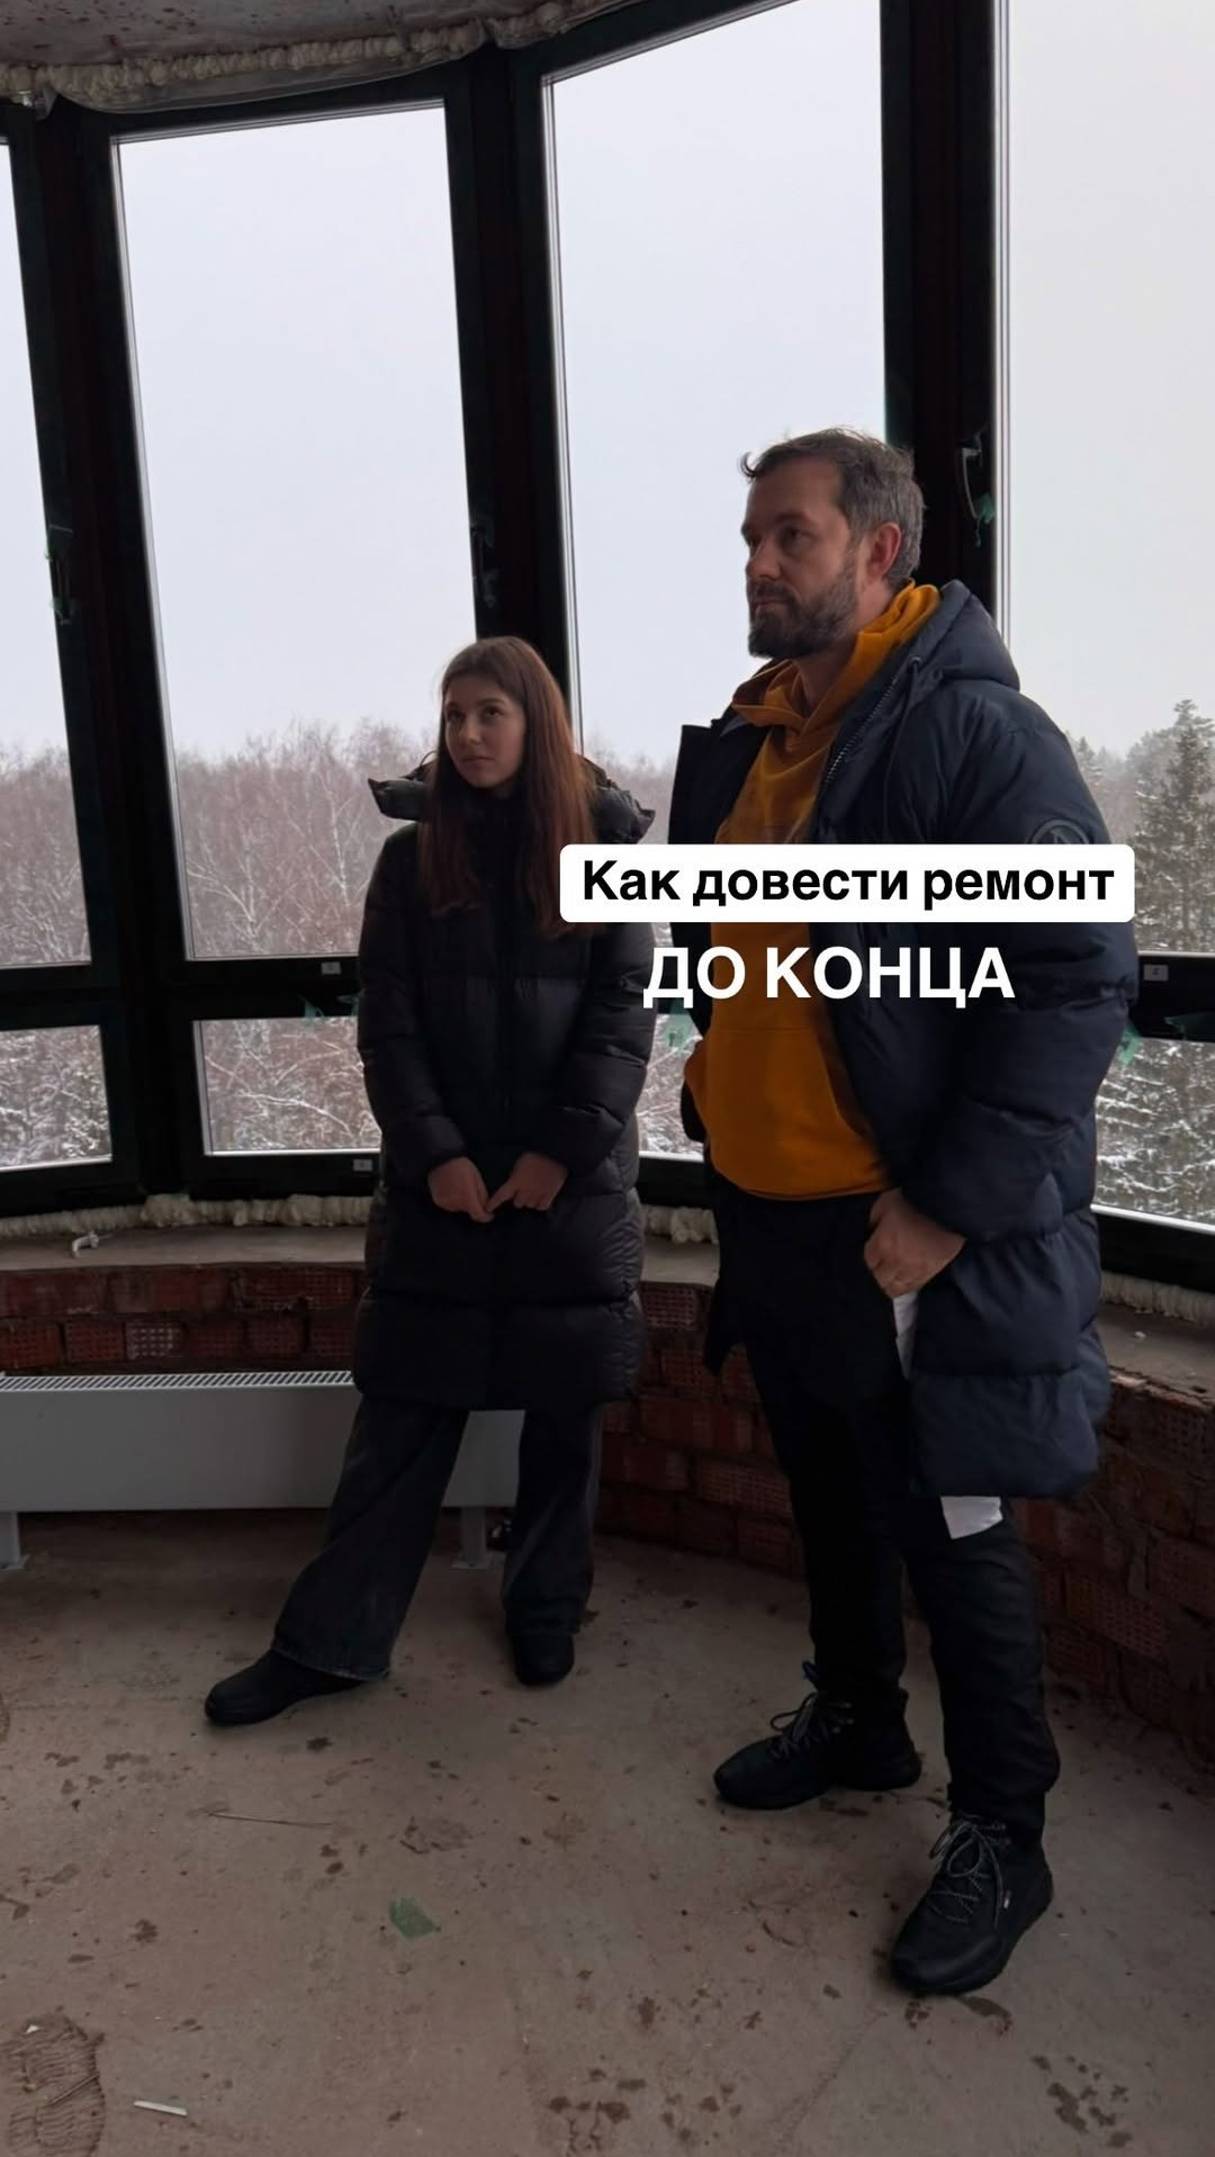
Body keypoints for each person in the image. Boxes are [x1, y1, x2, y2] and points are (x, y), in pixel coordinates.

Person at [668, 429, 1137, 1996]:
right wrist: (716, 1081)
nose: (757, 563)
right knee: (824, 1487)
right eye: (749, 537)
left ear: (878, 552)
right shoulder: (756, 736)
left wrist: (944, 1203)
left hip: (899, 1232)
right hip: (774, 1217)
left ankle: (1004, 1831)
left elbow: (1074, 982)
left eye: (788, 536)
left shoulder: (972, 734)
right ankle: (859, 1719)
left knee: (953, 1526)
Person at [206, 637, 655, 1725]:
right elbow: (389, 1026)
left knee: (565, 1421)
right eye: (454, 714)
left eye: (491, 712)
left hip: (570, 1193)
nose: (467, 734)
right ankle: (330, 1641)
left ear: (536, 724)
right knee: (401, 1419)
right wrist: (438, 1157)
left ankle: (546, 1608)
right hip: (437, 1191)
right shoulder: (411, 861)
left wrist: (556, 1156)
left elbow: (622, 1020)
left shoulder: (602, 854)